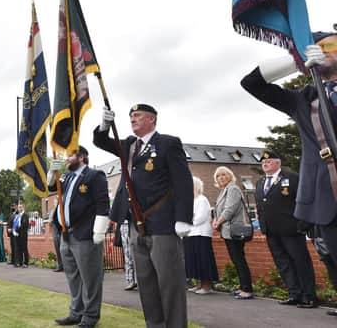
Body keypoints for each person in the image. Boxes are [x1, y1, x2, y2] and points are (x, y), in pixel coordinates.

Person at [240, 38, 337, 275]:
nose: (323, 52)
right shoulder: (303, 99)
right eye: (318, 48)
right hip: (330, 198)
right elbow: (252, 83)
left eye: (330, 46)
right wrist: (297, 61)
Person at [95, 104, 193, 328]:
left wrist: (184, 217)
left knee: (170, 284)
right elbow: (101, 142)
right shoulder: (129, 145)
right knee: (147, 284)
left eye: (137, 115)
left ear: (152, 119)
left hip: (163, 223)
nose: (132, 119)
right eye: (130, 116)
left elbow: (183, 181)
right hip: (135, 225)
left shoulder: (168, 143)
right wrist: (104, 126)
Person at [50, 146, 109, 328]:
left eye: (70, 155)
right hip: (66, 234)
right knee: (73, 277)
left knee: (91, 278)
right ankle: (76, 312)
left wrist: (99, 230)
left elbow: (102, 203)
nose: (67, 159)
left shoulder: (94, 176)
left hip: (85, 234)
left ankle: (90, 316)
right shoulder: (67, 177)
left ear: (81, 157)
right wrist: (53, 170)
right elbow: (51, 187)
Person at [256, 150, 317, 307]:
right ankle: (294, 293)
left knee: (300, 262)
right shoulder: (261, 182)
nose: (265, 164)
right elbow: (260, 206)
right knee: (283, 263)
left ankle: (309, 296)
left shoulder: (292, 178)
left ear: (278, 163)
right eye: (263, 162)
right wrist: (263, 225)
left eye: (269, 161)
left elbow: (304, 200)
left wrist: (303, 223)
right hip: (271, 231)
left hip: (291, 229)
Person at [212, 166, 253, 299]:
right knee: (236, 259)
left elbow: (229, 210)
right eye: (218, 176)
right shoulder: (224, 190)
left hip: (234, 230)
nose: (221, 178)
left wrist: (218, 222)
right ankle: (242, 287)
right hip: (227, 231)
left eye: (223, 175)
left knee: (239, 259)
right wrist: (215, 219)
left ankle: (247, 289)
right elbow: (219, 209)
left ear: (229, 176)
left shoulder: (233, 189)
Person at [183, 177, 218, 295]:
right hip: (190, 234)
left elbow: (200, 218)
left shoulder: (202, 200)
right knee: (194, 261)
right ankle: (199, 284)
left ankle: (207, 285)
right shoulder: (189, 201)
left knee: (203, 260)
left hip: (201, 234)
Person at [12, 203, 30, 268]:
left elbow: (24, 225)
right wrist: (14, 230)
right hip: (17, 235)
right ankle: (20, 262)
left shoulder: (25, 215)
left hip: (23, 234)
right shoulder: (17, 216)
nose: (19, 208)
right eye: (19, 207)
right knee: (19, 249)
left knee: (24, 248)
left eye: (21, 207)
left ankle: (26, 263)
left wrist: (17, 230)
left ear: (23, 208)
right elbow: (15, 224)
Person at [48, 207, 63, 272]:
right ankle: (60, 266)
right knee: (58, 250)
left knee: (63, 251)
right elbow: (50, 222)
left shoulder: (62, 208)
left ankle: (64, 266)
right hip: (55, 231)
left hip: (61, 232)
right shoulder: (53, 211)